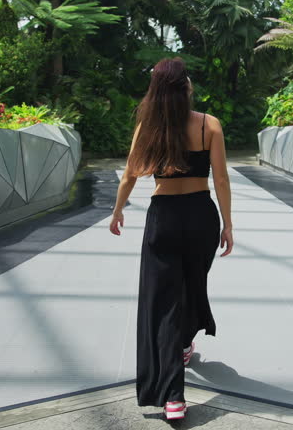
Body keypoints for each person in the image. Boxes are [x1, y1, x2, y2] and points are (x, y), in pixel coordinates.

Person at [109, 57, 234, 420]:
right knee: (191, 286)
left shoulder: (148, 128)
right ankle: (181, 346)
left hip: (164, 218)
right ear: (186, 87)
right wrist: (227, 223)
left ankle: (173, 397)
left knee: (166, 303)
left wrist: (117, 210)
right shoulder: (208, 124)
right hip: (201, 218)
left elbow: (130, 176)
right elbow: (222, 180)